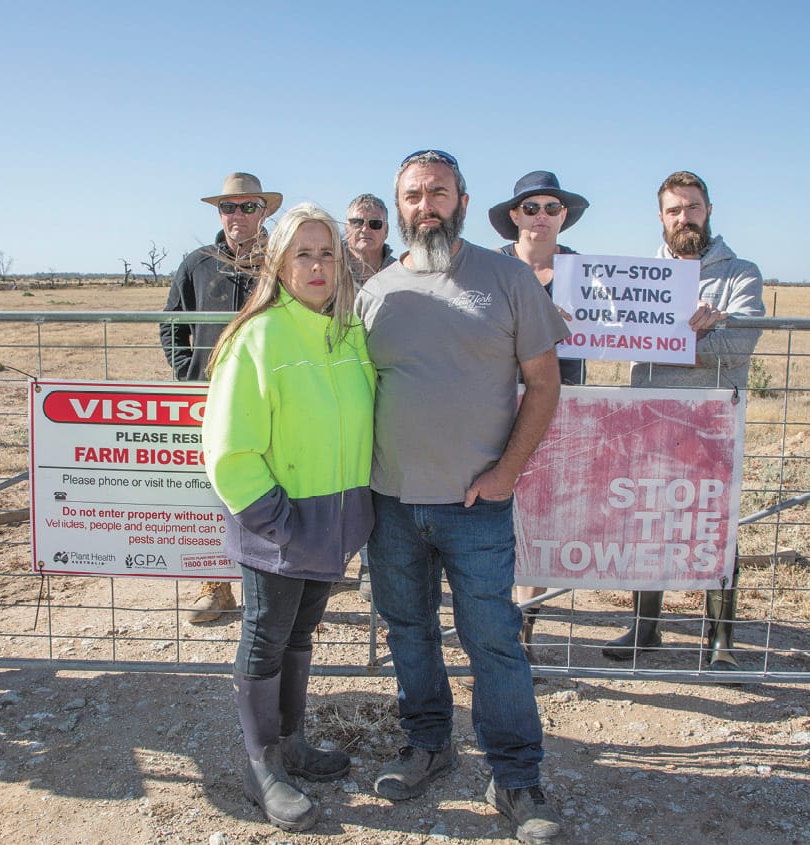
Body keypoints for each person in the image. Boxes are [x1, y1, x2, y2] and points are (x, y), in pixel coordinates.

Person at [358, 150, 567, 845]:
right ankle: (427, 744)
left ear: (465, 201)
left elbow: (544, 384)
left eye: (439, 192)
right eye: (414, 195)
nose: (427, 205)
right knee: (409, 632)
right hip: (390, 504)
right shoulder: (376, 291)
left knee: (493, 640)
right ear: (400, 206)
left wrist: (505, 471)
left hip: (477, 506)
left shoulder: (507, 279)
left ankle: (516, 777)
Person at [201, 204, 375, 832]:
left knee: (301, 635)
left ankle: (293, 744)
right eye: (303, 253)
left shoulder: (349, 336)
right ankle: (260, 764)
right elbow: (229, 450)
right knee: (266, 636)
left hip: (333, 524)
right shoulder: (258, 338)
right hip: (278, 528)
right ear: (278, 263)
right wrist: (275, 519)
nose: (318, 265)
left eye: (327, 252)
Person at [602, 170, 765, 672]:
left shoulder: (741, 273)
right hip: (648, 420)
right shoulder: (635, 276)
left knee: (717, 527)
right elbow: (617, 337)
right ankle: (646, 627)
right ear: (660, 217)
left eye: (692, 207)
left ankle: (721, 639)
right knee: (648, 524)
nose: (683, 217)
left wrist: (669, 342)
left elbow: (740, 345)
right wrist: (689, 336)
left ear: (708, 210)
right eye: (674, 210)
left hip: (713, 421)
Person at [160, 171, 282, 624]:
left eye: (248, 206)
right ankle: (216, 588)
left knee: (269, 486)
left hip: (271, 396)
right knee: (213, 489)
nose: (238, 215)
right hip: (209, 398)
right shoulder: (198, 262)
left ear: (263, 211)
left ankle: (272, 587)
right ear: (219, 213)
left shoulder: (282, 259)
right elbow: (171, 324)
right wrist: (187, 373)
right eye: (229, 207)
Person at [489, 170, 590, 658]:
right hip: (493, 401)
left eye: (552, 208)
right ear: (514, 216)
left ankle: (525, 627)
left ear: (564, 215)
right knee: (497, 511)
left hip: (563, 400)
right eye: (531, 208)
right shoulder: (490, 268)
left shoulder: (588, 272)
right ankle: (493, 620)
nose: (542, 217)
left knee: (546, 515)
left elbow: (639, 320)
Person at [345, 193, 395, 286]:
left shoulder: (400, 273)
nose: (365, 229)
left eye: (375, 223)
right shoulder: (330, 267)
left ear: (386, 230)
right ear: (346, 229)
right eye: (357, 222)